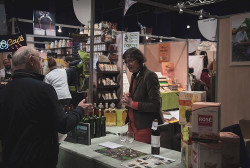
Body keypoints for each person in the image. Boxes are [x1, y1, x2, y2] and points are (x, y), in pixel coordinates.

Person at [0, 46, 93, 168]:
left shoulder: (4, 91)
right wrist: (80, 110)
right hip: (38, 161)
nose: (41, 65)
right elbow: (63, 125)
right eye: (40, 60)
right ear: (31, 60)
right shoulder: (42, 89)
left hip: (10, 160)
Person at [121, 47, 164, 144]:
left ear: (139, 60)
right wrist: (129, 97)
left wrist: (132, 104)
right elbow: (140, 95)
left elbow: (156, 105)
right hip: (133, 126)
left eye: (130, 61)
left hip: (145, 128)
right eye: (126, 62)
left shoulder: (150, 76)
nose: (127, 65)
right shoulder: (134, 75)